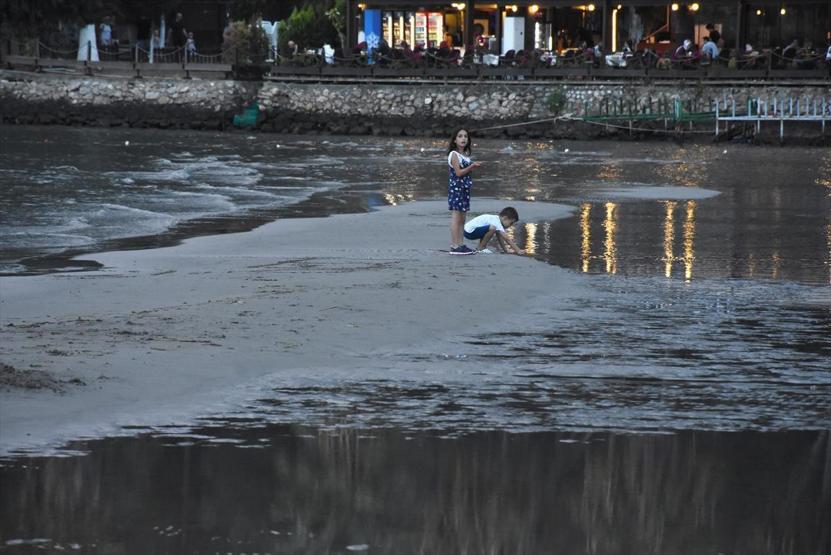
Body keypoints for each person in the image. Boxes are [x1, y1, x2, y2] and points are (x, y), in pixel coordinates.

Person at [447, 128, 481, 255]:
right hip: (456, 189)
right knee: (456, 217)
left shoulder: (465, 156)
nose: (463, 139)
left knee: (462, 218)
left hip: (464, 190)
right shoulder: (454, 154)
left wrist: (472, 165)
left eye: (465, 136)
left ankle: (461, 244)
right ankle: (455, 246)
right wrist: (472, 166)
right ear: (455, 140)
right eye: (460, 136)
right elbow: (458, 173)